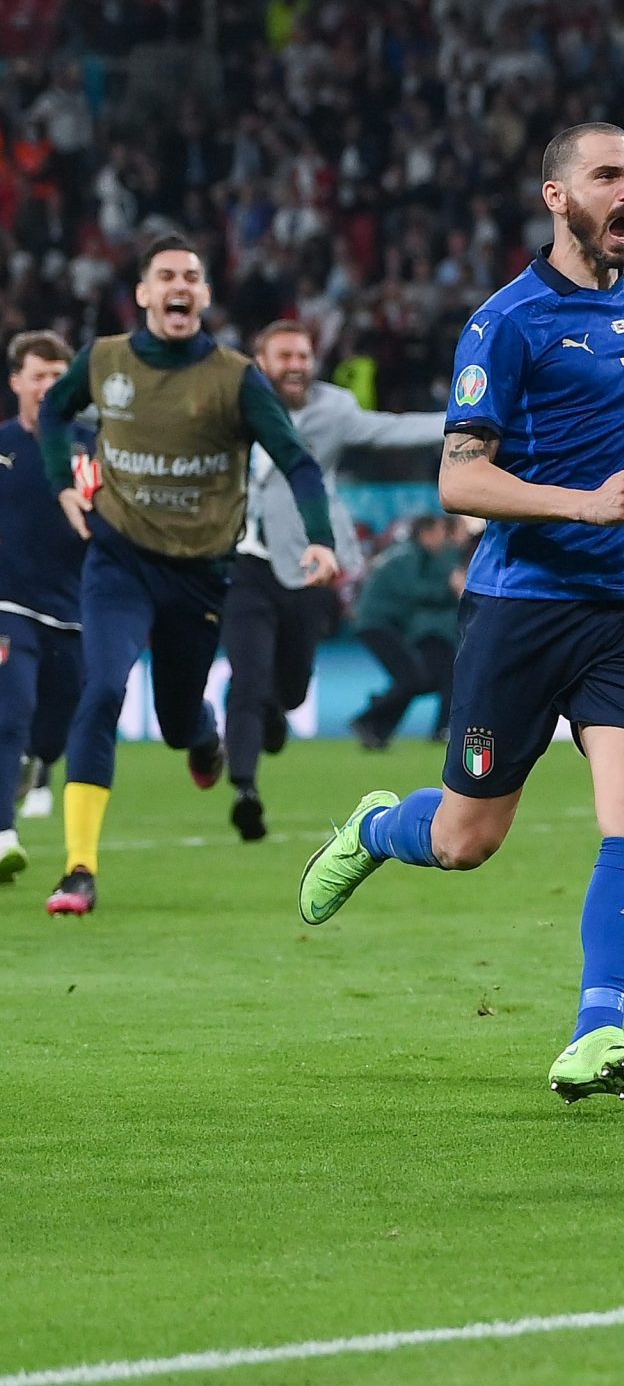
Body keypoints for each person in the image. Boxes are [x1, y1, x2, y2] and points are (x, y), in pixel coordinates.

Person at [298, 122, 624, 1105]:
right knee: (465, 838)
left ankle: (597, 1027)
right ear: (558, 197)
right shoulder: (508, 322)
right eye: (609, 174)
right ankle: (374, 829)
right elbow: (457, 475)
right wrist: (581, 501)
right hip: (524, 606)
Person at [40, 236, 341, 917]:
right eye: (167, 276)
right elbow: (54, 413)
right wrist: (63, 482)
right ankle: (79, 869)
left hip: (200, 576)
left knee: (178, 722)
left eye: (193, 278)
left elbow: (296, 459)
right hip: (118, 559)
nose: (181, 286)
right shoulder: (105, 360)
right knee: (104, 688)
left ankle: (201, 734)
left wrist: (320, 540)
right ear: (143, 293)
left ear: (204, 297)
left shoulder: (235, 377)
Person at [220, 318, 444, 842]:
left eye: (303, 355)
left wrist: (466, 418)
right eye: (285, 356)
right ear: (260, 363)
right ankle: (246, 790)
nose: (297, 365)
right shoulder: (228, 404)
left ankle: (277, 714)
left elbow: (392, 428)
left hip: (308, 562)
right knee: (248, 676)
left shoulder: (334, 409)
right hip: (241, 561)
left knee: (292, 688)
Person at [1, 331, 86, 887]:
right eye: (38, 375)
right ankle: (3, 833)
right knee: (10, 711)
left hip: (76, 611)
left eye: (58, 377)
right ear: (17, 382)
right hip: (8, 605)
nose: (48, 386)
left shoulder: (89, 448)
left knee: (52, 733)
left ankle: (35, 768)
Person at [351, 514, 464, 745]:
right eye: (441, 533)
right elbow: (413, 591)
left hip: (383, 623)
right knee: (413, 677)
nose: (444, 539)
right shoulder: (408, 557)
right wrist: (450, 589)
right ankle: (367, 718)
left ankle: (376, 729)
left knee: (414, 678)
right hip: (378, 623)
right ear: (426, 534)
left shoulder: (411, 556)